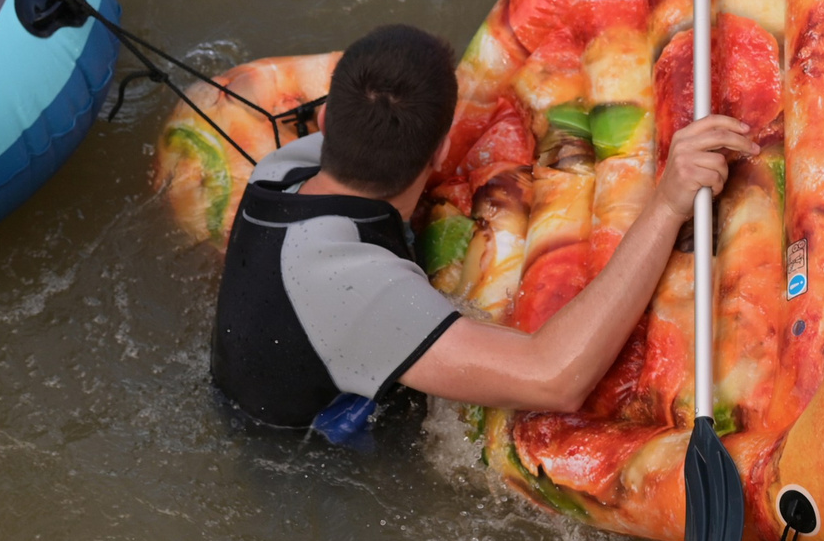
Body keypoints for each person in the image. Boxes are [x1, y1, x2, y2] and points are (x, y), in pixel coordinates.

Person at [210, 23, 756, 431]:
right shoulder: (352, 286)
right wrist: (665, 204)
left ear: (326, 122)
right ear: (444, 148)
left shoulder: (281, 169)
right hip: (309, 461)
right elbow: (554, 378)